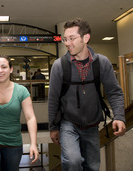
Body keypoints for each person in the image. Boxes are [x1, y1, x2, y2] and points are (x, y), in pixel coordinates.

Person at [48, 18, 126, 171]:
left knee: (92, 166)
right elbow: (53, 99)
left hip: (92, 124)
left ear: (86, 38)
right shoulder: (59, 66)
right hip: (68, 123)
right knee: (72, 161)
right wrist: (53, 127)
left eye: (72, 38)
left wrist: (119, 117)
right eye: (65, 39)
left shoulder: (102, 63)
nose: (67, 43)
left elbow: (114, 92)